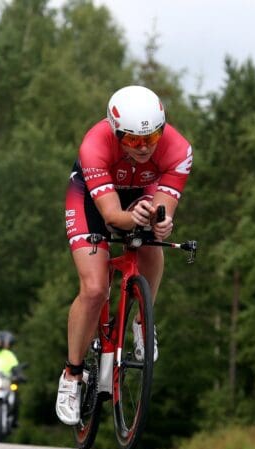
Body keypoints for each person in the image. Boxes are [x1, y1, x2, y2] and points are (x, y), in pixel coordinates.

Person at [55, 85, 193, 426]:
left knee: (150, 239)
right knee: (94, 288)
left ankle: (142, 322)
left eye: (152, 137)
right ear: (117, 134)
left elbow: (164, 207)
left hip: (142, 192)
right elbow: (114, 217)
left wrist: (161, 223)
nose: (145, 147)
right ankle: (72, 375)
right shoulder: (94, 145)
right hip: (93, 200)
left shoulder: (178, 150)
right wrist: (134, 219)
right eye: (133, 141)